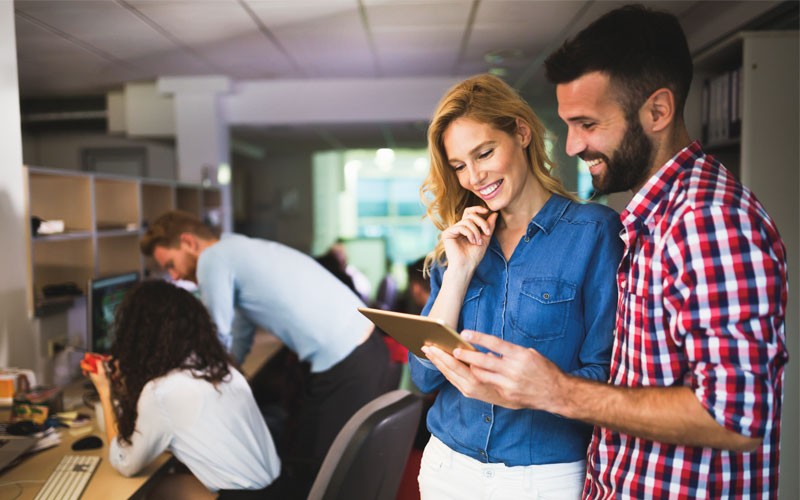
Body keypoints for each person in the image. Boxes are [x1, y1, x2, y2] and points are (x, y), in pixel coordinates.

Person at [425, 5, 788, 498]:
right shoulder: (650, 222)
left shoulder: (705, 220)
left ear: (657, 112)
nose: (572, 145)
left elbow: (737, 415)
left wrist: (553, 390)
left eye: (587, 123)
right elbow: (630, 380)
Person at [409, 73, 623, 499]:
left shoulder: (594, 233)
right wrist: (457, 272)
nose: (473, 177)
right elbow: (424, 375)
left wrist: (521, 391)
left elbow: (606, 373)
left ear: (521, 133)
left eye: (484, 153)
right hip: (447, 466)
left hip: (542, 477)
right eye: (458, 166)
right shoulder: (460, 242)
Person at [140, 211, 390, 499]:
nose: (174, 275)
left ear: (188, 242)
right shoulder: (236, 248)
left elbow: (214, 334)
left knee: (321, 471)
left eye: (170, 264)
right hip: (361, 350)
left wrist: (179, 381)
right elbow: (240, 331)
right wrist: (227, 368)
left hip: (348, 360)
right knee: (310, 455)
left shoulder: (213, 259)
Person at [84, 280, 280, 499]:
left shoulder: (161, 391)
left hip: (242, 497)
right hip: (277, 491)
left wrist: (105, 390)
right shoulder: (220, 369)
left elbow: (126, 462)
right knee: (167, 482)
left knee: (150, 492)